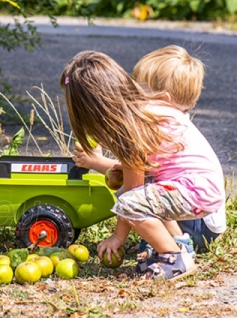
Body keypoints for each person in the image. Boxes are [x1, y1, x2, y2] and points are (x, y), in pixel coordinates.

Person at [61, 50, 224, 281]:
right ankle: (179, 245)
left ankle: (173, 258)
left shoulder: (135, 126)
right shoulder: (142, 116)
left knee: (129, 200)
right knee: (143, 191)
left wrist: (117, 237)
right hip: (200, 189)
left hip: (196, 193)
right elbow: (139, 178)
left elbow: (131, 195)